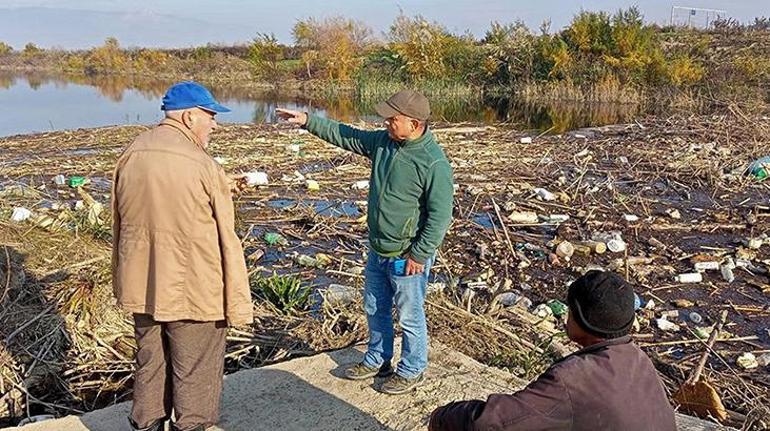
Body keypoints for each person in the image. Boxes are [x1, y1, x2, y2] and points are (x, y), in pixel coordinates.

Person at [276, 89, 454, 395]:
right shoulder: (384, 143)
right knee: (374, 307)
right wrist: (307, 120)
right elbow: (346, 134)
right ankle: (378, 359)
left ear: (414, 123)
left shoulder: (433, 163)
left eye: (393, 118)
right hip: (378, 249)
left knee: (410, 317)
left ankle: (412, 370)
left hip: (407, 255)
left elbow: (440, 216)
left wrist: (420, 254)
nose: (386, 122)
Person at [111, 81, 253, 431]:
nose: (215, 124)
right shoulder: (201, 163)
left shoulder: (134, 152)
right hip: (192, 288)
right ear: (190, 116)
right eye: (211, 116)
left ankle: (146, 425)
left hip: (142, 284)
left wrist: (224, 184)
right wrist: (235, 301)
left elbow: (121, 219)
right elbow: (226, 239)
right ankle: (192, 426)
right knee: (196, 372)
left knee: (150, 362)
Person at [429, 270, 677, 431]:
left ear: (581, 318)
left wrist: (441, 417)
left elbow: (491, 423)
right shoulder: (637, 359)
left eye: (570, 311)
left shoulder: (572, 379)